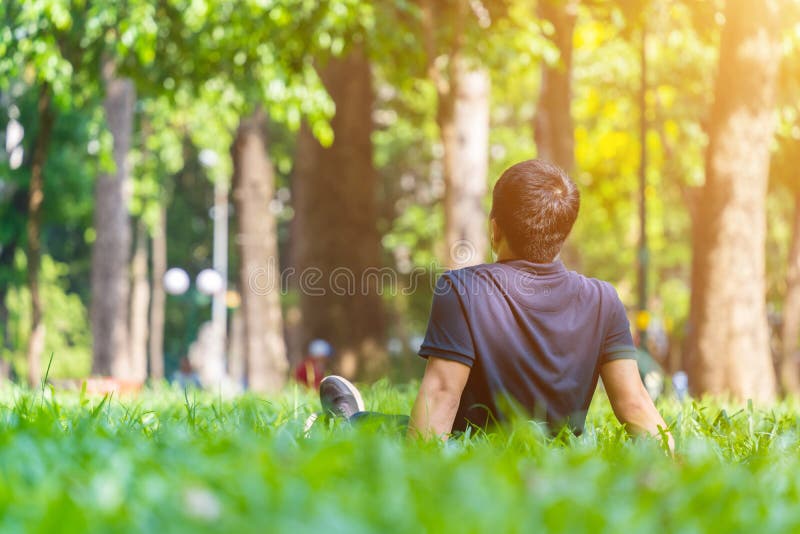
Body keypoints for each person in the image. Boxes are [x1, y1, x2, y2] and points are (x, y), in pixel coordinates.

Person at [316, 159, 672, 451]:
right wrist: (678, 469)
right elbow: (635, 403)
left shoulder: (462, 288)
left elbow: (441, 394)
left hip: (472, 451)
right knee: (398, 426)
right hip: (559, 462)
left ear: (495, 229)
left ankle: (351, 422)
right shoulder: (604, 298)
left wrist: (417, 484)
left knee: (392, 431)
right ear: (563, 234)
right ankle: (355, 421)